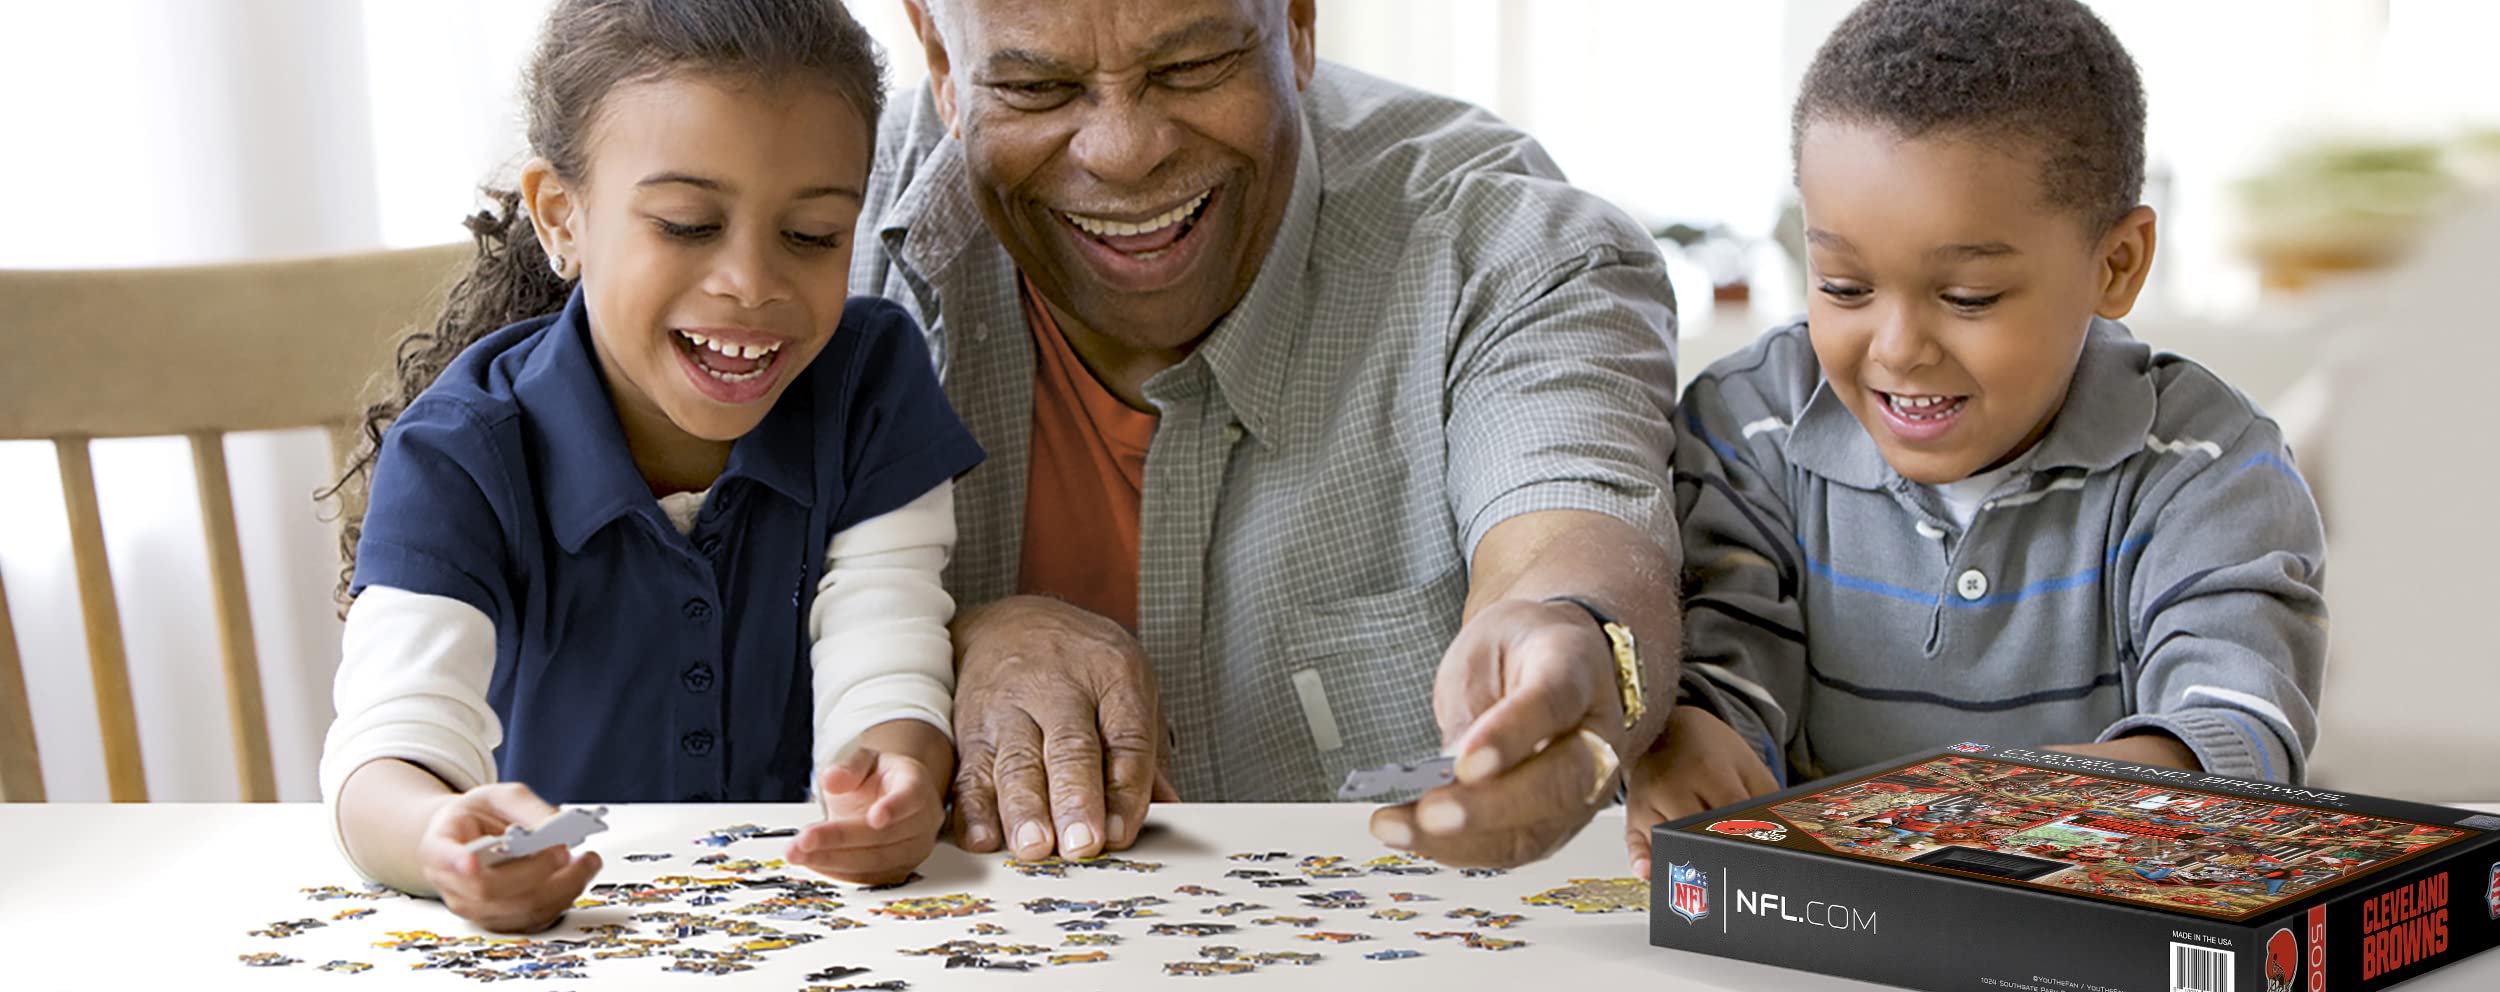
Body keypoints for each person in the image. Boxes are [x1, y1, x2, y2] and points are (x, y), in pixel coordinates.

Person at [856, 0, 1683, 869]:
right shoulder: (796, 224)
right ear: (941, 61)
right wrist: (937, 642)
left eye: (1192, 67)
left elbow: (1568, 538)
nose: (1124, 151)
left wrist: (1577, 644)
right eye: (1035, 86)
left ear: (1296, 23)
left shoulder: (1503, 244)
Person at [316, 0, 984, 932]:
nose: (751, 282)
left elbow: (886, 649)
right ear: (561, 216)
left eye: (813, 235)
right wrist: (438, 836)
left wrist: (894, 778)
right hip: (564, 940)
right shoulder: (460, 452)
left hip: (813, 930)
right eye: (684, 223)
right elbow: (386, 750)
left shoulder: (871, 384)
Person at [1623, 0, 2327, 878]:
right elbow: (1728, 655)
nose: (1898, 348)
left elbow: (2234, 723)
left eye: (1968, 298)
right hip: (1818, 925)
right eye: (1843, 286)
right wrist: (1689, 735)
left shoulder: (2207, 465)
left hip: (2091, 919)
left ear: (2116, 265)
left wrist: (2006, 816)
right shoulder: (1748, 426)